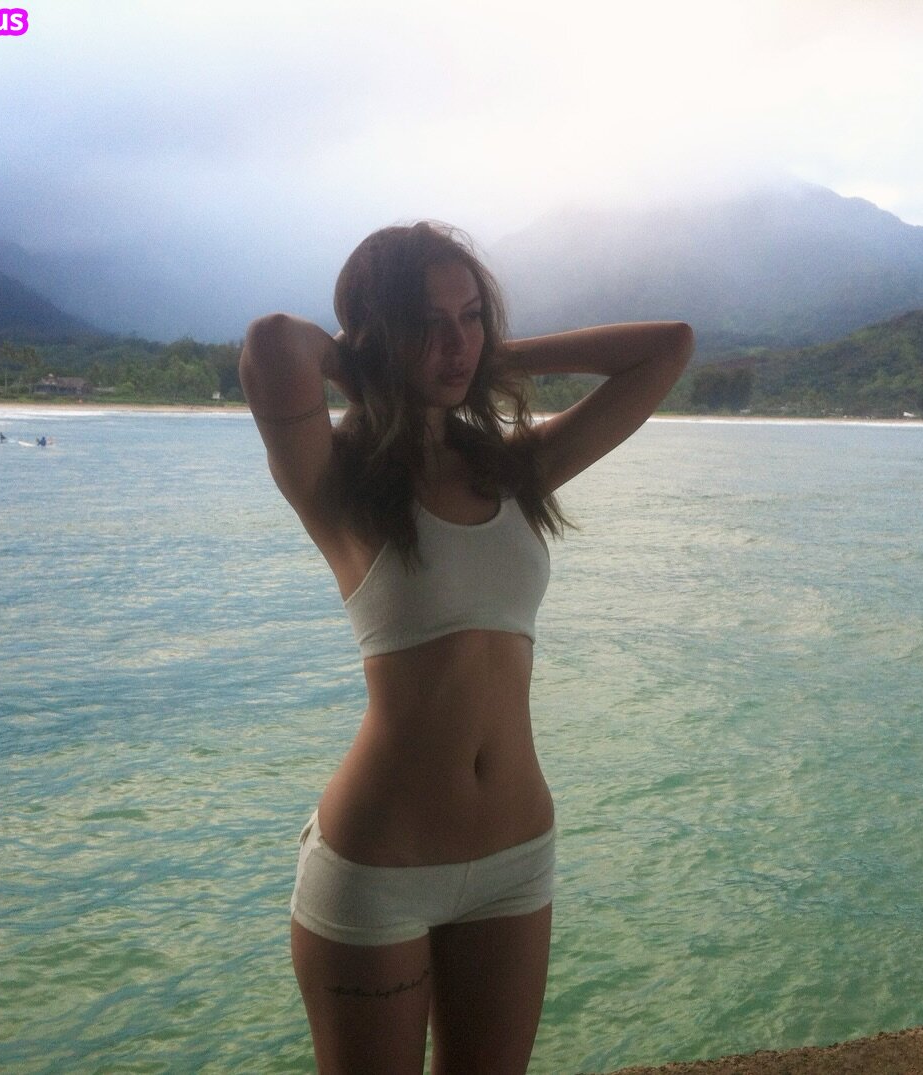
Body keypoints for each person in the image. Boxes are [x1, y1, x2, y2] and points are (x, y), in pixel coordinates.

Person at [240, 221, 691, 1075]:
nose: (456, 342)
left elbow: (667, 348)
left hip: (514, 861)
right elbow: (272, 345)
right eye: (427, 322)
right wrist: (364, 364)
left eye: (471, 316)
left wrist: (492, 361)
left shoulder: (515, 469)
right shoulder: (337, 480)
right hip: (381, 867)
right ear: (376, 333)